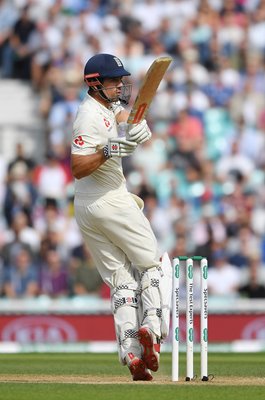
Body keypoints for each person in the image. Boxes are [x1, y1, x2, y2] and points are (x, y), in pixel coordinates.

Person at [71, 53, 172, 381]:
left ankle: (131, 353)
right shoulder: (87, 115)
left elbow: (125, 117)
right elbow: (77, 167)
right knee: (153, 266)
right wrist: (111, 150)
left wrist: (136, 126)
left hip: (87, 210)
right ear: (95, 83)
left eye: (120, 80)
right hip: (110, 201)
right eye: (114, 81)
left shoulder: (106, 106)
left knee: (123, 282)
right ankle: (151, 331)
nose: (119, 86)